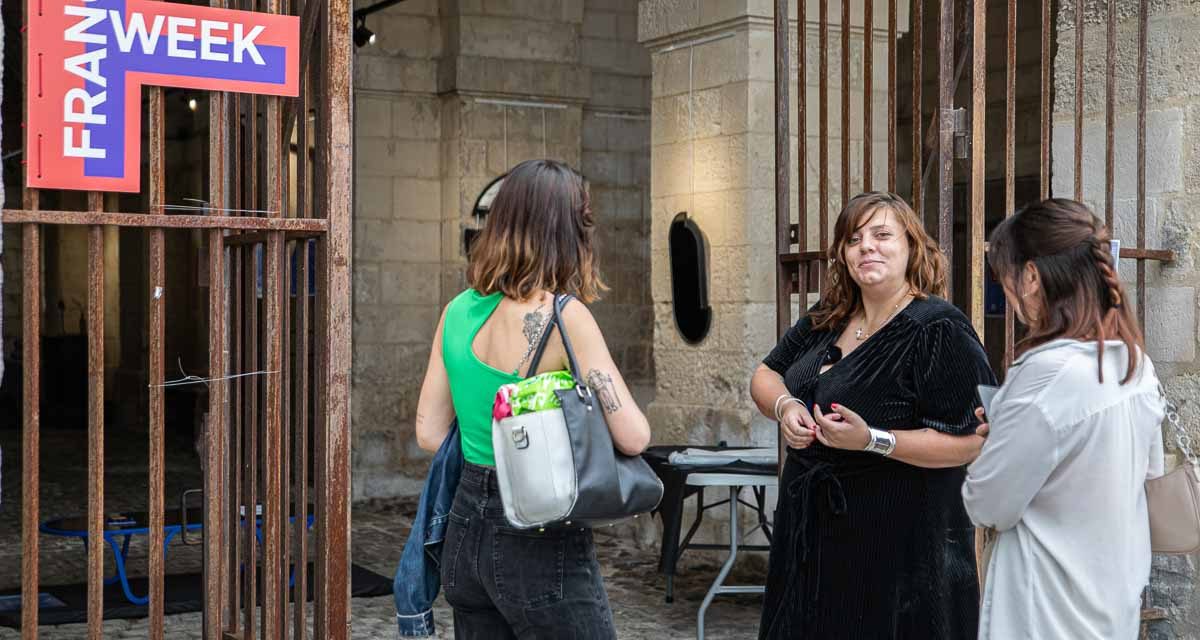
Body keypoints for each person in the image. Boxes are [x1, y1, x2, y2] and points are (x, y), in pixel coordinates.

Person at [413, 159, 651, 640]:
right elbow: (634, 436)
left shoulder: (456, 311)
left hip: (465, 529)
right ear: (567, 233)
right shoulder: (566, 317)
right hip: (539, 529)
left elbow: (429, 434)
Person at [751, 191, 996, 639]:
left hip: (896, 552)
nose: (866, 247)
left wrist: (873, 440)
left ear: (911, 246)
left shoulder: (938, 328)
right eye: (854, 239)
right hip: (812, 538)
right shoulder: (827, 317)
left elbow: (973, 441)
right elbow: (767, 374)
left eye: (882, 235)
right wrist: (786, 406)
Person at [962, 199, 1165, 640]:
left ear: (1031, 277)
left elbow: (987, 504)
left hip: (1045, 610)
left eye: (1004, 277)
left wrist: (994, 446)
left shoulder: (1044, 374)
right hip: (1112, 602)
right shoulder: (1134, 364)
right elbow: (1148, 474)